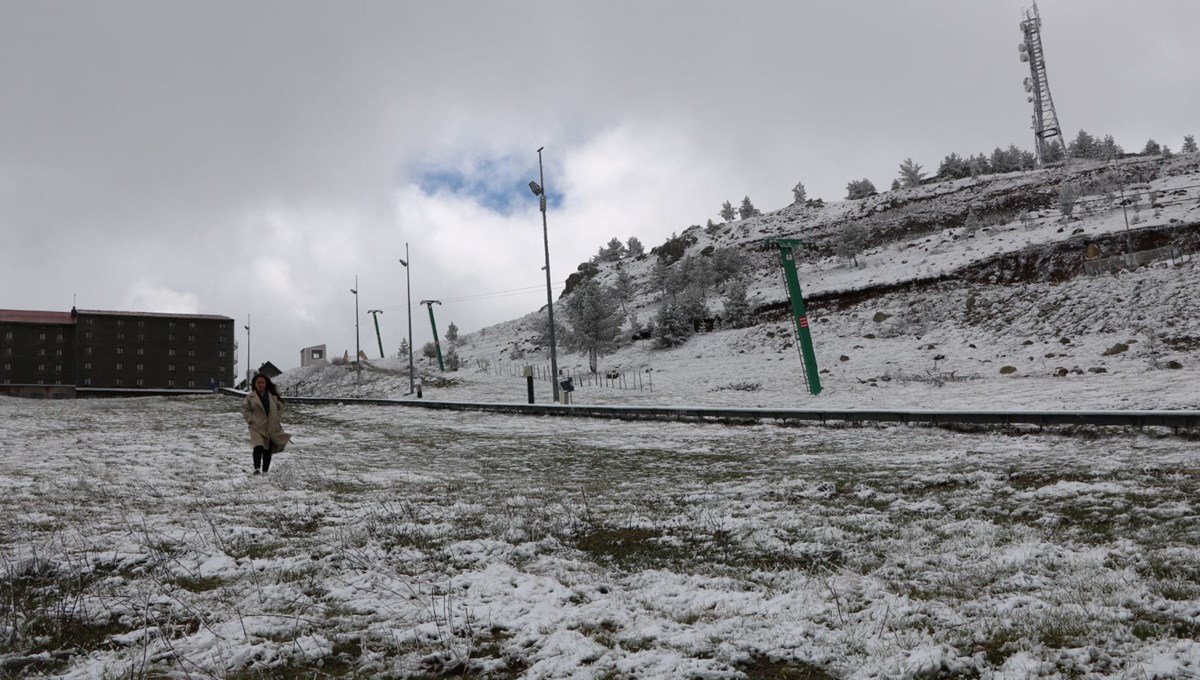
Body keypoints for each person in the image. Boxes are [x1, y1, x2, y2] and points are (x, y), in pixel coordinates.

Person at [240, 373, 291, 474]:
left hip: (269, 426)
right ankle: (257, 469)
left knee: (267, 449)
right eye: (258, 383)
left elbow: (281, 407)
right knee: (258, 446)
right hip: (256, 426)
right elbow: (245, 409)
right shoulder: (250, 397)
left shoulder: (273, 396)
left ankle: (265, 470)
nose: (260, 385)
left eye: (262, 382)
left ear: (266, 384)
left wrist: (276, 418)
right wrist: (250, 419)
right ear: (255, 384)